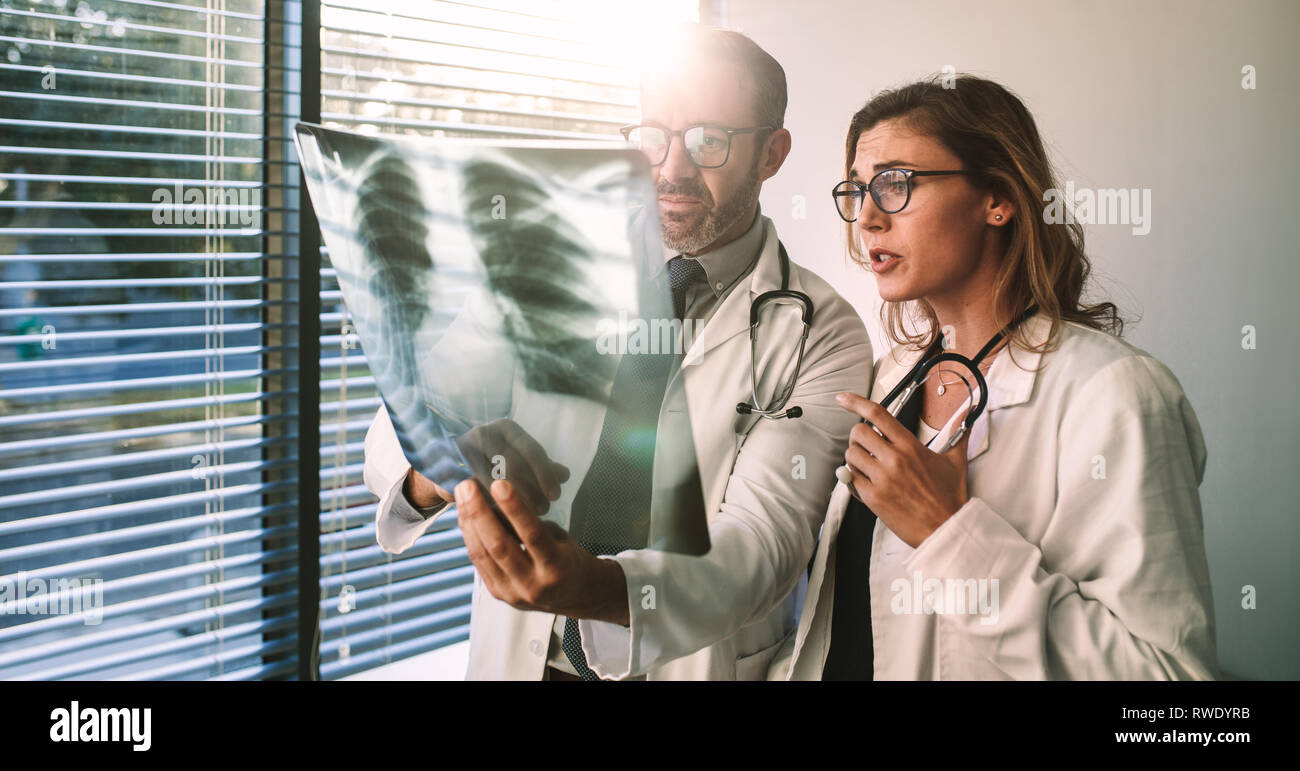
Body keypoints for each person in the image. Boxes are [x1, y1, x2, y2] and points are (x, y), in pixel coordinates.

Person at [363, 25, 873, 680]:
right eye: (654, 136)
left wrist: (598, 588)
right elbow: (405, 419)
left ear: (772, 154)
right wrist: (441, 464)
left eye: (709, 142)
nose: (672, 170)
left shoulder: (821, 332)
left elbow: (762, 542)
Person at [771, 74, 1218, 680]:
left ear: (998, 199)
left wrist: (948, 534)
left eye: (896, 183)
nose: (868, 217)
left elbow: (1169, 685)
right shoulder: (891, 375)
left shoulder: (1115, 394)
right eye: (856, 190)